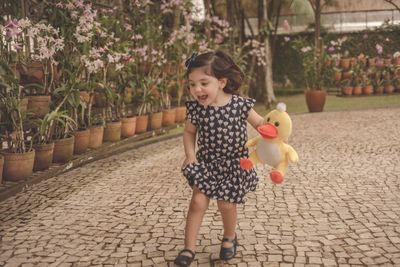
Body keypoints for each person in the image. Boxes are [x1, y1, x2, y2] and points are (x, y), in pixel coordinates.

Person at [174, 50, 265, 266]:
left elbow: (260, 123)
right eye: (192, 84)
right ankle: (189, 248)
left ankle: (229, 237)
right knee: (197, 202)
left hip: (235, 165)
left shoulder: (240, 104)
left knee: (226, 204)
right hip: (206, 164)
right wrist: (190, 155)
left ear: (221, 82)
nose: (197, 89)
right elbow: (189, 133)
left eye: (203, 83)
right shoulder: (196, 109)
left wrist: (274, 128)